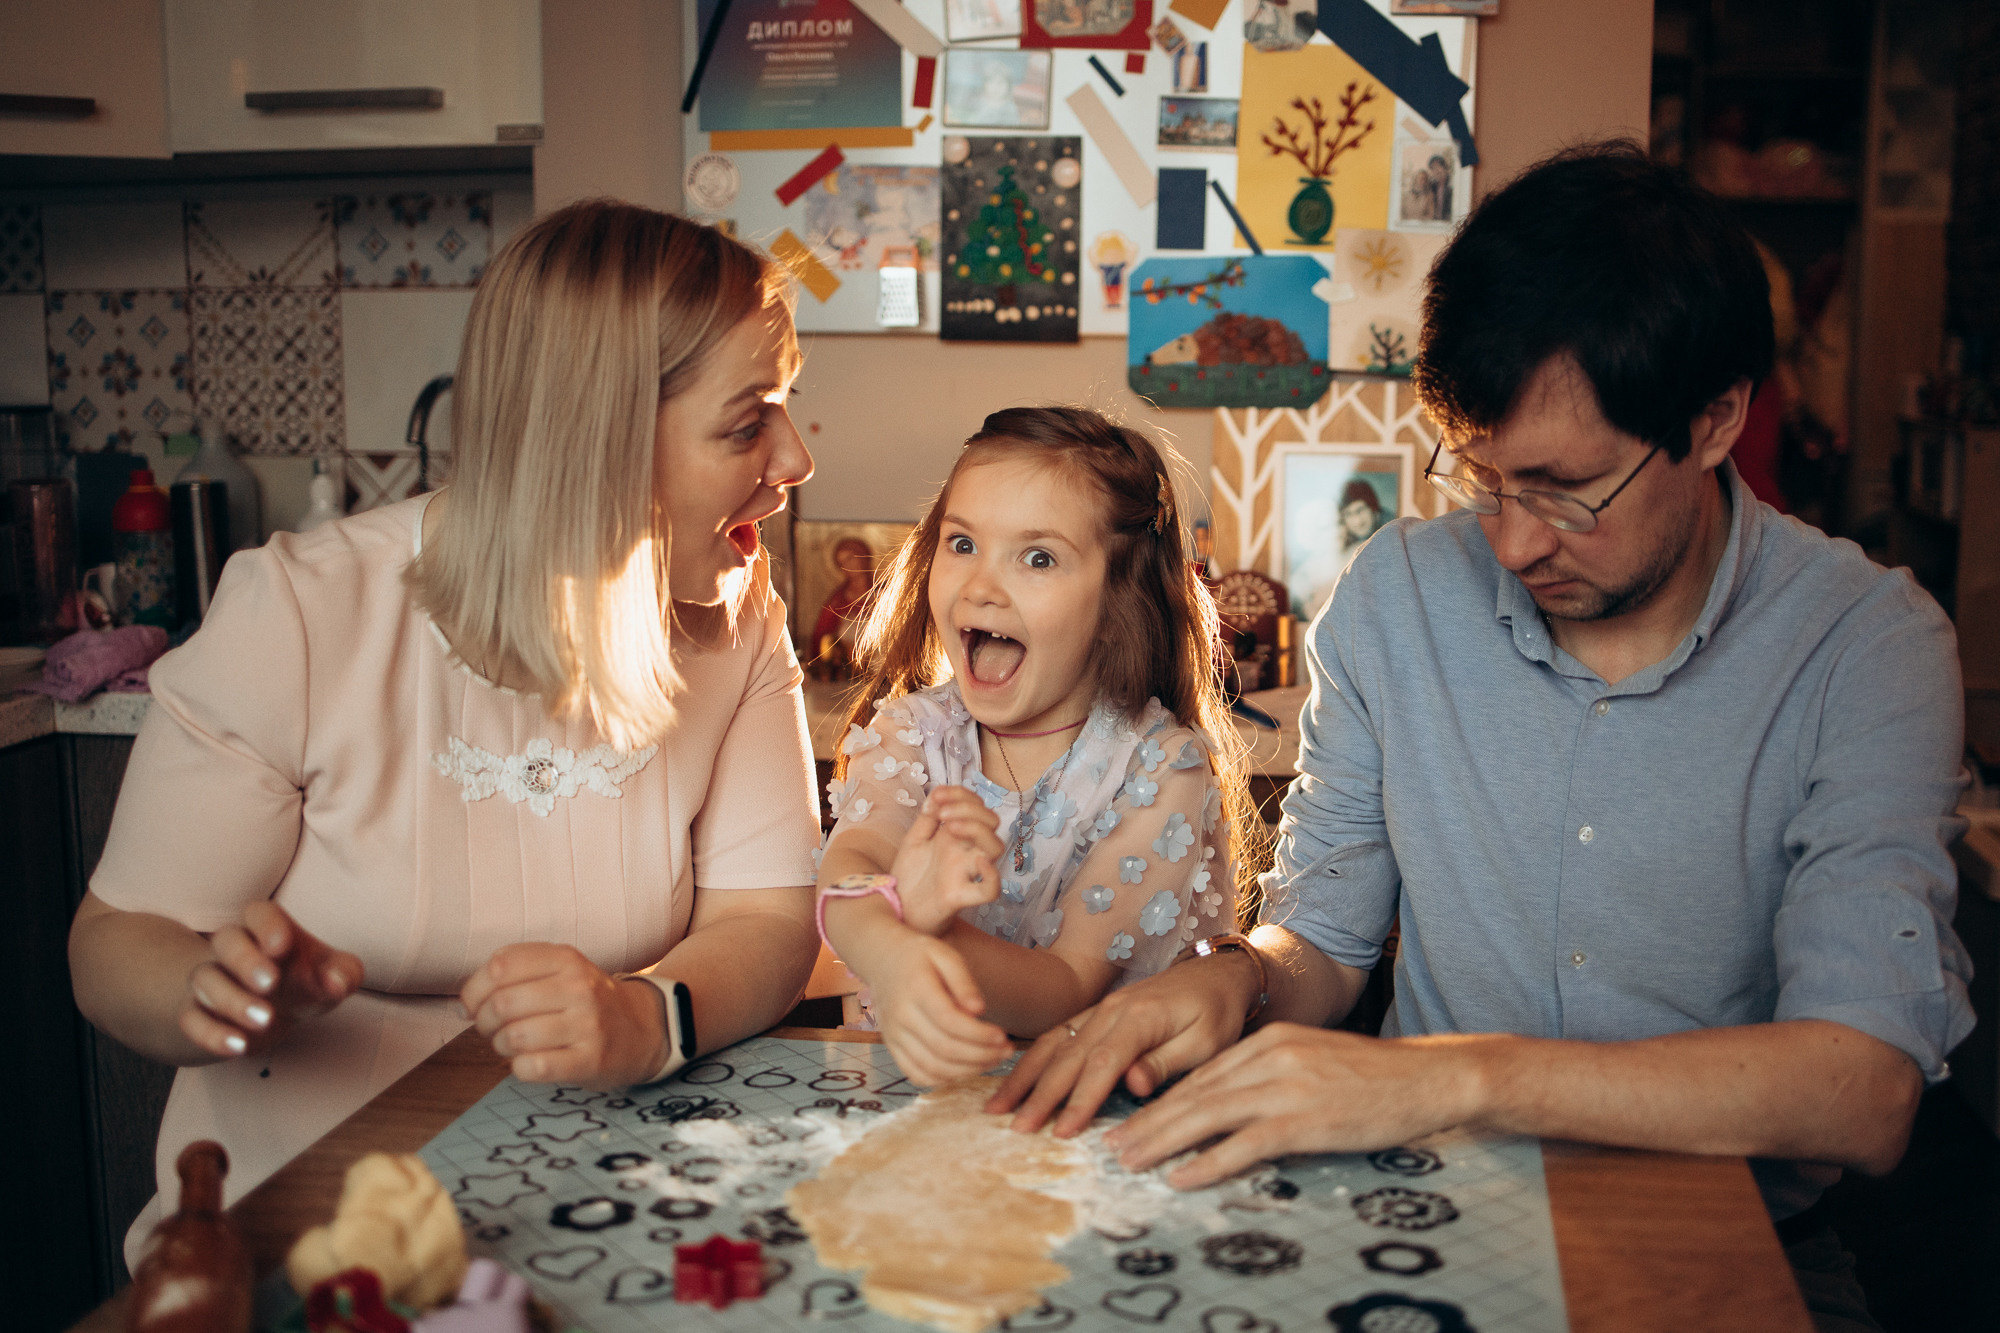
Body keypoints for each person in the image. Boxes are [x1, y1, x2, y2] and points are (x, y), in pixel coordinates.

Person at [991, 144, 1972, 1330]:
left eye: (1565, 489)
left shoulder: (1867, 644)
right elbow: (1325, 941)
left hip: (1735, 1231)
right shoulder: (1397, 594)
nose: (1509, 543)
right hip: (1421, 1198)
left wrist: (1453, 1075)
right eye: (1484, 478)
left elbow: (1859, 1090)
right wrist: (1238, 977)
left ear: (1713, 421)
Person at [67, 201, 825, 1262]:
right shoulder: (298, 610)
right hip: (301, 1221)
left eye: (785, 411)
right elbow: (112, 947)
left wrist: (649, 1018)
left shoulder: (737, 617)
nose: (794, 459)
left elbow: (769, 922)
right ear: (592, 439)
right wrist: (204, 988)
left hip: (605, 1207)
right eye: (748, 423)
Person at [815, 407, 1256, 1085]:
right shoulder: (909, 734)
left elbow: (1063, 988)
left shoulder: (1159, 768)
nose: (982, 585)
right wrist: (890, 944)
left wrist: (931, 929)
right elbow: (852, 864)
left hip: (1083, 1118)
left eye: (1039, 557)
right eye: (962, 544)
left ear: (1117, 603)